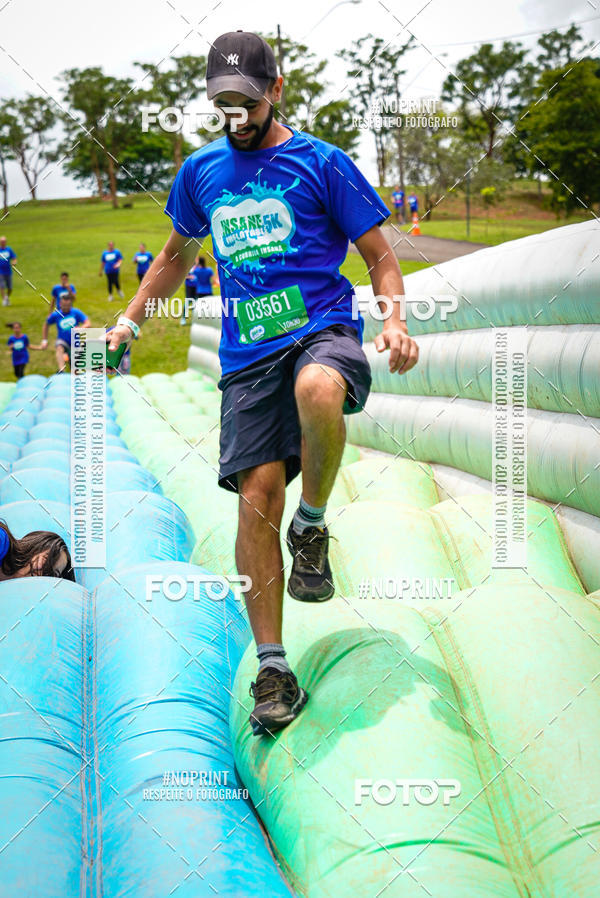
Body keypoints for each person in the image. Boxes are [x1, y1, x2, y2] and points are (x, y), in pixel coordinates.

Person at [107, 30, 418, 737]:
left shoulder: (322, 163)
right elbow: (173, 257)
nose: (236, 113)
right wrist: (128, 320)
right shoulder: (201, 173)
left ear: (276, 90)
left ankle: (312, 525)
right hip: (248, 357)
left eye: (246, 99)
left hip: (320, 330)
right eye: (222, 102)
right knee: (254, 500)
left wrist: (395, 320)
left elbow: (380, 256)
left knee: (318, 391)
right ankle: (273, 667)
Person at [0, 520, 75, 581]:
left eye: (53, 574)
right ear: (34, 547)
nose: (45, 572)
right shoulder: (2, 542)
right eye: (47, 559)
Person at [41, 295, 90, 372]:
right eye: (64, 305)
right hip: (62, 340)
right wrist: (44, 340)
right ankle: (61, 370)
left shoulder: (75, 312)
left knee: (76, 370)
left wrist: (81, 328)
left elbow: (88, 323)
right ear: (60, 304)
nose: (66, 307)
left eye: (68, 305)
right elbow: (46, 325)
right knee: (59, 347)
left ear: (71, 304)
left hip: (76, 342)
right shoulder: (56, 314)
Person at [0, 236, 17, 306]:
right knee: (2, 285)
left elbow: (14, 258)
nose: (3, 243)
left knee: (10, 288)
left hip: (8, 271)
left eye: (4, 241)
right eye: (1, 241)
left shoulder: (9, 249)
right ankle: (4, 299)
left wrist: (14, 262)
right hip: (1, 271)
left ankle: (7, 298)